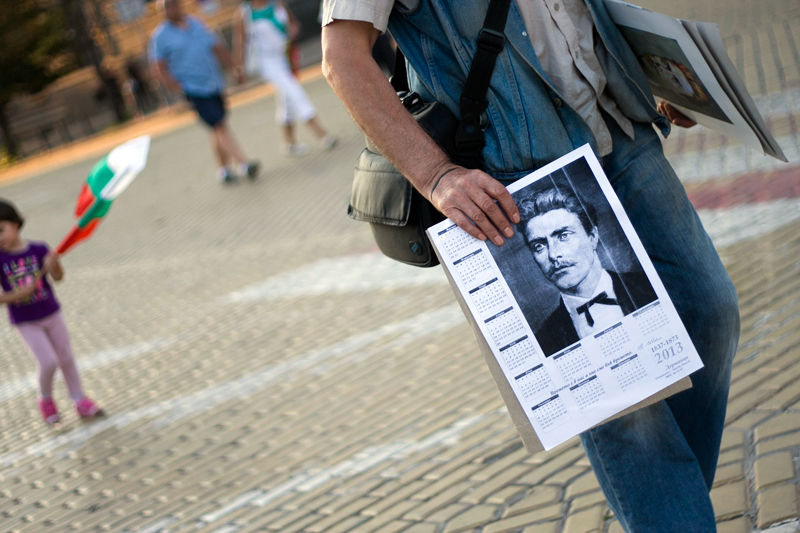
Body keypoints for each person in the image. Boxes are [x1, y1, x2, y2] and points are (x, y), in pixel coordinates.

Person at [320, 1, 740, 531]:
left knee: (710, 308)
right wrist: (436, 175)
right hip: (523, 176)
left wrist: (657, 76)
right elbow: (341, 57)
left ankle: (669, 507)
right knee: (629, 405)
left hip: (620, 130)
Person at [518, 186, 656, 356]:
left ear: (592, 236)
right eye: (539, 246)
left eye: (563, 236)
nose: (553, 255)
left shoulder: (650, 285)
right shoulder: (544, 341)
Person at [0, 199, 103, 425]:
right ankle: (45, 399)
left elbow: (58, 277)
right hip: (26, 321)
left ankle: (79, 399)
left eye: (1, 230)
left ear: (15, 224)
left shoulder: (39, 250)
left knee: (66, 357)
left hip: (51, 314)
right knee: (48, 362)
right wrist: (17, 294)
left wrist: (54, 264)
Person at [149, 0, 260, 184]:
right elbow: (159, 68)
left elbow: (216, 46)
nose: (171, 9)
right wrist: (178, 88)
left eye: (174, 4)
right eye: (167, 7)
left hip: (213, 83)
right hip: (193, 89)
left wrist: (234, 68)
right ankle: (244, 163)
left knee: (217, 126)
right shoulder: (160, 37)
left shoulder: (195, 23)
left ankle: (223, 170)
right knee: (218, 125)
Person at [233, 0, 337, 156]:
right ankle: (322, 133)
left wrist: (292, 32)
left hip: (284, 55)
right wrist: (239, 68)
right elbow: (240, 42)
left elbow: (293, 23)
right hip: (266, 61)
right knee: (293, 90)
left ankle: (289, 142)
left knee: (286, 97)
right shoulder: (243, 14)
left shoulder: (277, 4)